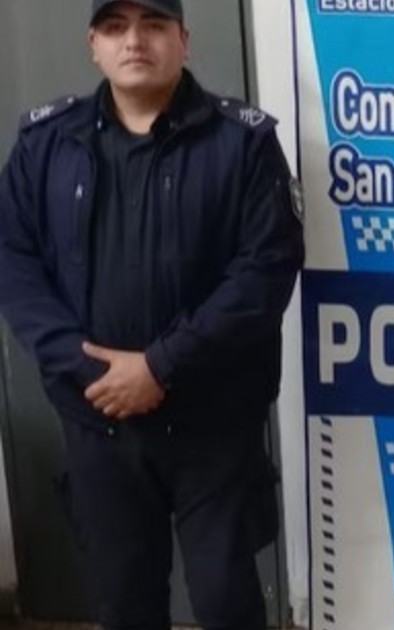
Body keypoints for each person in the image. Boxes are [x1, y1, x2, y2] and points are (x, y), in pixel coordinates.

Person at [0, 0, 304, 627]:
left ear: (183, 40)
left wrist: (160, 366)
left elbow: (264, 271)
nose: (134, 41)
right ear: (94, 44)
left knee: (226, 601)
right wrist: (90, 372)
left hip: (213, 425)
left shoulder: (242, 144)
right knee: (124, 602)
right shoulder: (45, 145)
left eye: (154, 25)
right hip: (100, 424)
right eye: (116, 27)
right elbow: (13, 261)